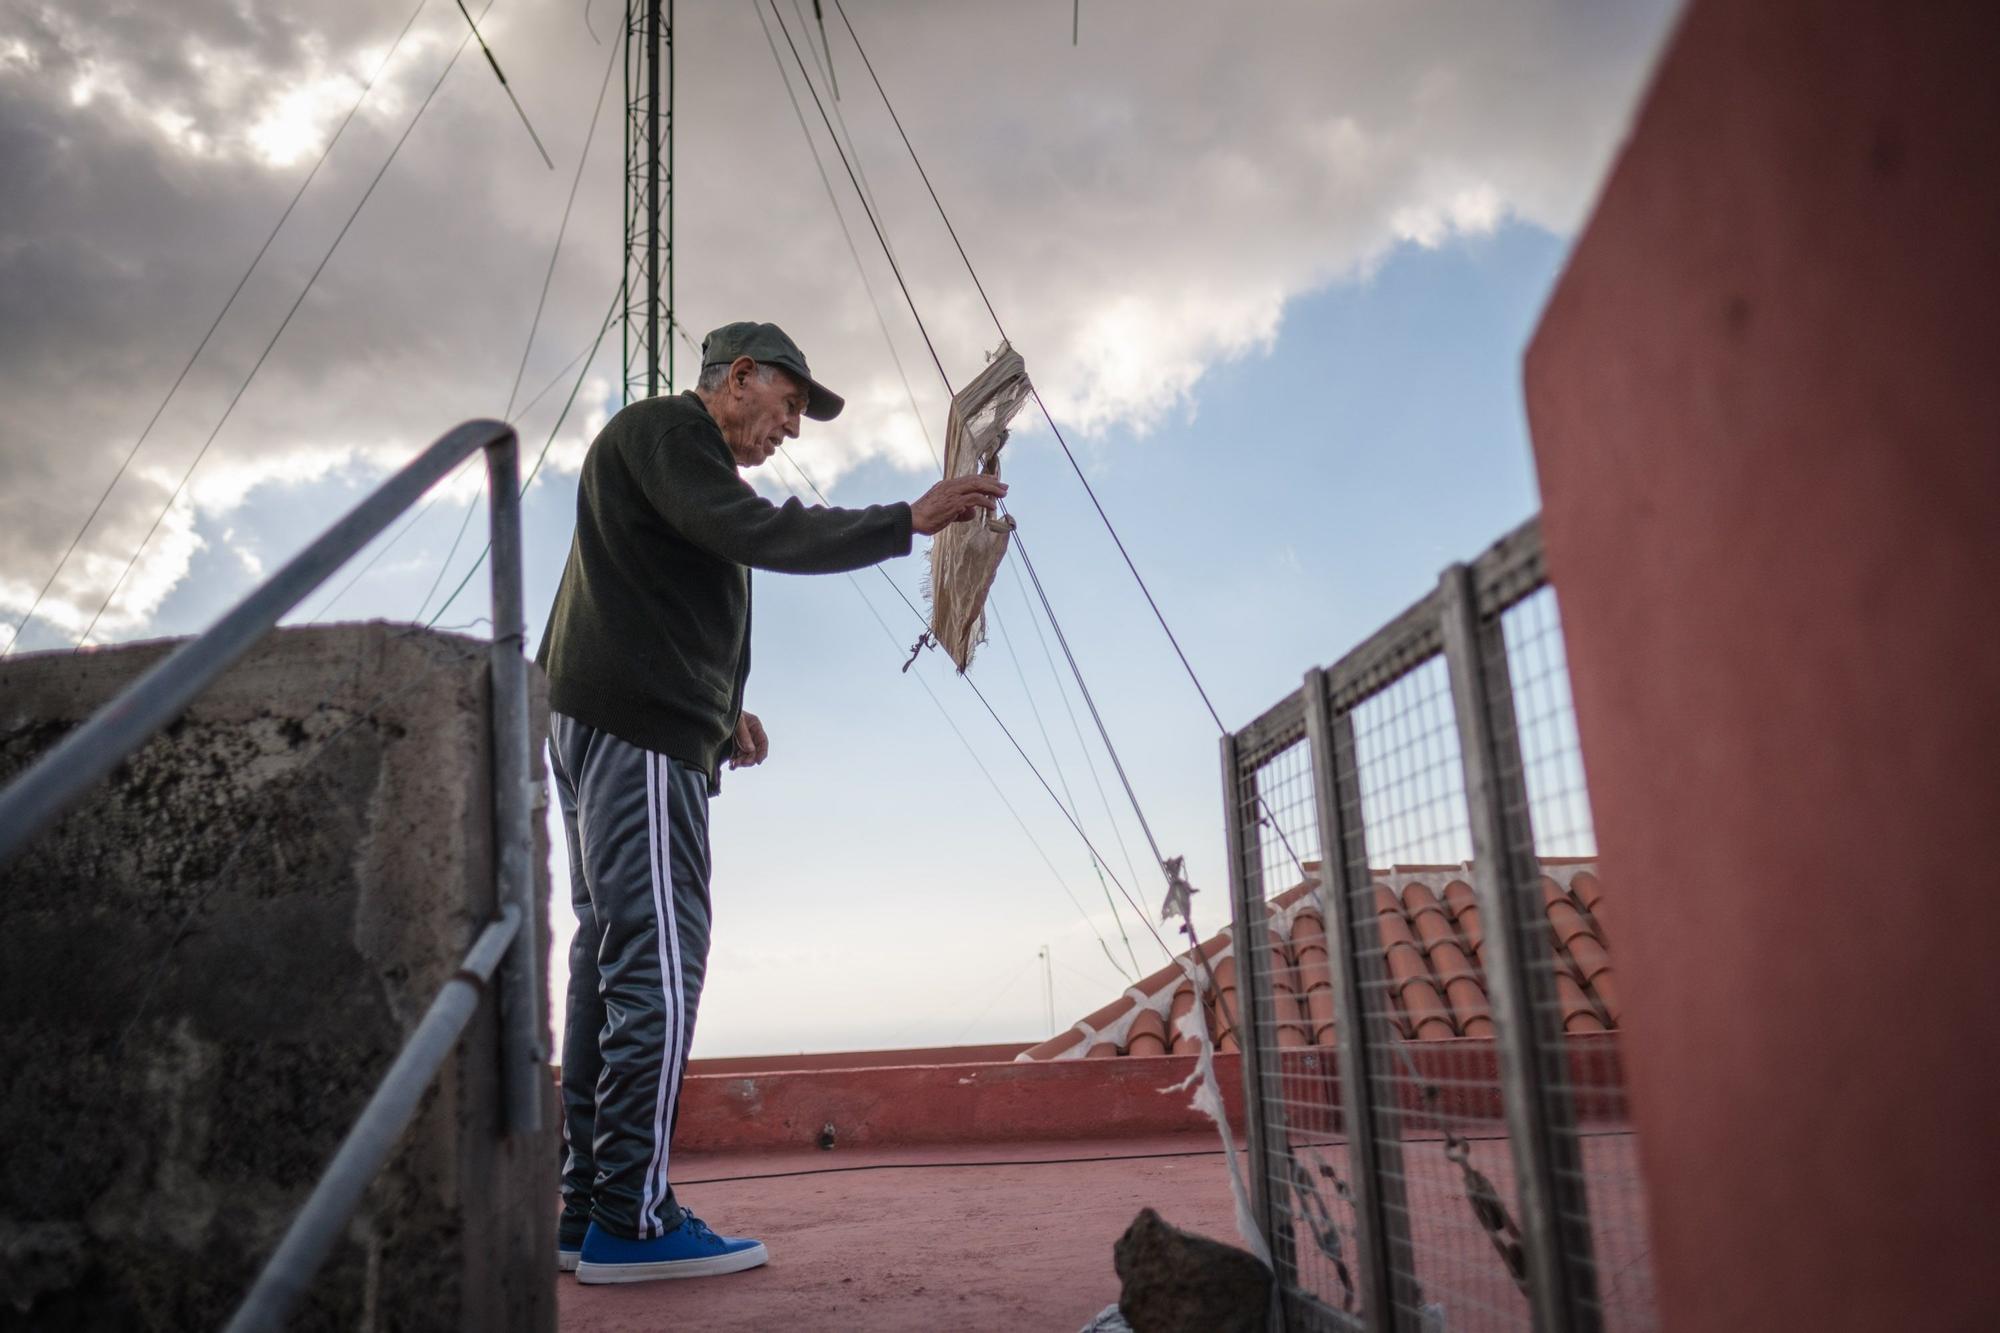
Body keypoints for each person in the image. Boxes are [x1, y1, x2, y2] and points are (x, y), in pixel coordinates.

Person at [537, 321, 1005, 1284]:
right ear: (738, 377)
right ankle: (632, 1213)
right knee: (660, 964)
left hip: (607, 720)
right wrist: (903, 521)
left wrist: (720, 718)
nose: (792, 426)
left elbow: (643, 600)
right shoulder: (672, 432)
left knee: (610, 953)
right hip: (635, 730)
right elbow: (756, 531)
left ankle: (587, 1206)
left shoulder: (667, 462)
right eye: (790, 402)